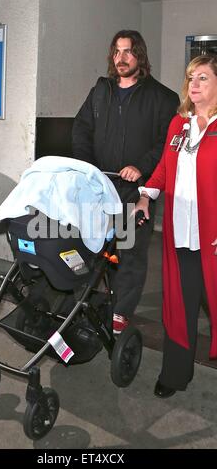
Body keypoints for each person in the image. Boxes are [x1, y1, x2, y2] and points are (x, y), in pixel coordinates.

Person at [72, 30, 179, 335]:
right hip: (100, 186)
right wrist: (88, 168)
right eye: (117, 52)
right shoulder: (100, 91)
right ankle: (94, 300)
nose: (121, 58)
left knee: (130, 253)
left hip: (137, 191)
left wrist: (141, 167)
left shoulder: (162, 98)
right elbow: (81, 129)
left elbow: (166, 143)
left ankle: (121, 312)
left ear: (140, 55)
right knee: (93, 247)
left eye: (128, 52)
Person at [134, 54, 217, 397]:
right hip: (180, 235)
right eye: (191, 78)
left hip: (213, 238)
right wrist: (145, 197)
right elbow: (165, 169)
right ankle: (175, 374)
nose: (194, 85)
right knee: (179, 306)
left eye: (203, 78)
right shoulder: (178, 124)